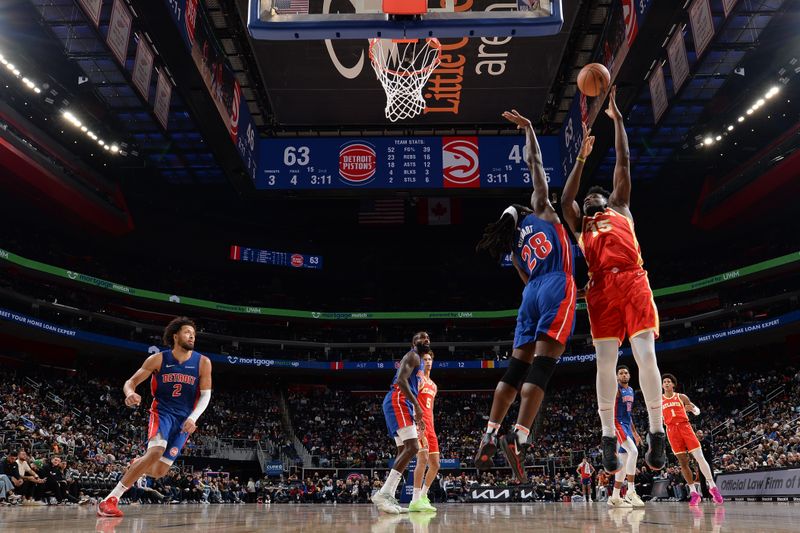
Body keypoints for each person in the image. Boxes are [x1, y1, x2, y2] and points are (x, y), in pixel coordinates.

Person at [560, 86, 666, 474]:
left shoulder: (620, 206)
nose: (588, 199)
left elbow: (622, 161)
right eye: (586, 200)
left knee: (645, 357)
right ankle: (607, 436)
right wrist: (582, 159)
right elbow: (565, 198)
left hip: (634, 281)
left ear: (605, 199)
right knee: (605, 363)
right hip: (601, 287)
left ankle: (656, 433)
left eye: (593, 197)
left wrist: (619, 120)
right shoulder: (579, 223)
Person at [474, 110, 584, 481]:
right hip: (556, 282)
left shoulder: (516, 246)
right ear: (527, 209)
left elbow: (523, 278)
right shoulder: (542, 210)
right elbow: (535, 163)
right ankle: (519, 436)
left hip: (530, 293)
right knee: (544, 364)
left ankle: (491, 430)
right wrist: (530, 129)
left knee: (516, 366)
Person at [97, 316, 213, 517]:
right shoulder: (158, 359)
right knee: (155, 451)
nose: (192, 336)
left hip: (184, 420)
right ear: (175, 336)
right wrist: (130, 394)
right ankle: (110, 499)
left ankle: (136, 465)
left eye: (194, 334)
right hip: (162, 413)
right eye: (187, 332)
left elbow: (206, 395)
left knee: (159, 471)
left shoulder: (203, 362)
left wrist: (194, 418)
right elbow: (130, 382)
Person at [372, 332, 430, 514]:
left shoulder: (418, 362)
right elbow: (401, 381)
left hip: (400, 402)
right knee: (413, 448)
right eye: (421, 338)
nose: (425, 341)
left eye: (428, 338)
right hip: (399, 399)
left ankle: (388, 497)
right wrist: (417, 407)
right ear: (414, 343)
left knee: (403, 450)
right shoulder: (412, 355)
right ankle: (384, 494)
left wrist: (415, 413)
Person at [662, 373, 724, 506]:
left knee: (699, 457)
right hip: (672, 431)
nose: (666, 383)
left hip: (685, 428)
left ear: (673, 384)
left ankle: (713, 487)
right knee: (683, 462)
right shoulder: (659, 401)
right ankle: (693, 492)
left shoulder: (681, 397)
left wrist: (693, 409)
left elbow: (698, 411)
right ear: (662, 385)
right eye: (664, 381)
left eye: (669, 381)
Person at [608, 365, 644, 508]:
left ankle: (615, 497)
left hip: (627, 426)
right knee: (633, 451)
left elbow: (629, 415)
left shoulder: (631, 391)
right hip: (617, 424)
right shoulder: (616, 390)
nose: (624, 375)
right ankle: (631, 490)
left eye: (626, 373)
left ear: (629, 375)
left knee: (622, 466)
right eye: (621, 373)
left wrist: (634, 432)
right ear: (617, 377)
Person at [410, 350, 439, 512]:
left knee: (435, 464)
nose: (428, 361)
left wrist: (431, 428)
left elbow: (432, 409)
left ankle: (422, 496)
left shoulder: (434, 385)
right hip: (419, 424)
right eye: (425, 359)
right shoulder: (419, 378)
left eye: (430, 359)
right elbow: (411, 399)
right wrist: (416, 422)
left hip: (430, 427)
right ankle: (414, 500)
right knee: (423, 459)